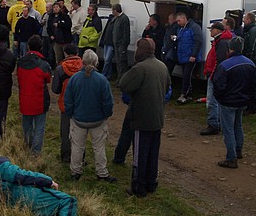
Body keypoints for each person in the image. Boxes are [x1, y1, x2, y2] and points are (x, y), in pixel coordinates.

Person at [119, 38, 172, 197]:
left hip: (142, 118)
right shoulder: (162, 66)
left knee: (140, 156)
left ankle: (138, 188)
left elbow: (124, 84)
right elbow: (168, 86)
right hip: (157, 117)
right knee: (152, 154)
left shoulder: (140, 68)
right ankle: (151, 183)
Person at [65, 50, 116, 182]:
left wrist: (71, 114)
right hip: (98, 121)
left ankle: (75, 171)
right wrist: (106, 115)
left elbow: (68, 100)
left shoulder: (74, 79)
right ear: (96, 62)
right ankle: (102, 173)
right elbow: (108, 102)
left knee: (77, 146)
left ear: (82, 61)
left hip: (78, 120)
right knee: (99, 147)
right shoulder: (102, 80)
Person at [213, 36, 255, 167]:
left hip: (228, 102)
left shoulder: (225, 65)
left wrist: (220, 98)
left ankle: (231, 158)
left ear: (230, 48)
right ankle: (238, 150)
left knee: (228, 129)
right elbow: (254, 85)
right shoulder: (250, 64)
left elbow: (218, 86)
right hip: (242, 101)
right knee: (238, 125)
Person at [17, 35, 52, 155]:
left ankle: (28, 146)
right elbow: (48, 79)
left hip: (25, 98)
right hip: (39, 100)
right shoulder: (43, 64)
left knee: (27, 125)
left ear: (28, 46)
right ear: (41, 47)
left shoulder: (20, 62)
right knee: (39, 127)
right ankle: (36, 152)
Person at [51, 44, 83, 163]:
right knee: (80, 133)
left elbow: (55, 89)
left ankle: (66, 156)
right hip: (81, 103)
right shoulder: (84, 67)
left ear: (65, 53)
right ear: (77, 53)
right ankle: (80, 157)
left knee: (65, 132)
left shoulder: (60, 68)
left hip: (66, 103)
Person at [201, 22, 233, 135]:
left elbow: (220, 61)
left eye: (212, 29)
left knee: (212, 101)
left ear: (218, 30)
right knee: (215, 100)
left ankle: (213, 124)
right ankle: (217, 123)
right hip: (214, 74)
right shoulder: (220, 41)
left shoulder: (221, 42)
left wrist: (213, 75)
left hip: (215, 75)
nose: (210, 31)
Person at [174, 11, 203, 104]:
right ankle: (188, 94)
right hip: (183, 56)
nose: (178, 23)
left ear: (184, 18)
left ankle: (184, 94)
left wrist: (193, 55)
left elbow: (198, 42)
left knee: (187, 75)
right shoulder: (181, 29)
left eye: (179, 20)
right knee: (186, 75)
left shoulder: (194, 27)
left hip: (190, 56)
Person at [242, 12, 256, 114]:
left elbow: (254, 48)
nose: (243, 20)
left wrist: (249, 62)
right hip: (252, 62)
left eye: (244, 18)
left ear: (249, 20)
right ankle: (249, 105)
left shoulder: (253, 31)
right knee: (249, 84)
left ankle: (252, 107)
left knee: (254, 85)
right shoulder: (249, 30)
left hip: (254, 63)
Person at [111, 3, 131, 84]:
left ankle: (123, 80)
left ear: (115, 10)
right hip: (116, 44)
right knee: (118, 62)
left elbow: (126, 33)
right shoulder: (117, 18)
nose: (112, 12)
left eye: (113, 10)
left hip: (121, 45)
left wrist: (123, 45)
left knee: (122, 62)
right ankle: (119, 79)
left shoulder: (124, 18)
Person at [99, 11, 116, 79]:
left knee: (107, 60)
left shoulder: (117, 21)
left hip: (111, 43)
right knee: (107, 60)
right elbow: (106, 31)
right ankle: (109, 74)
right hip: (107, 42)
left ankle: (103, 74)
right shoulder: (110, 19)